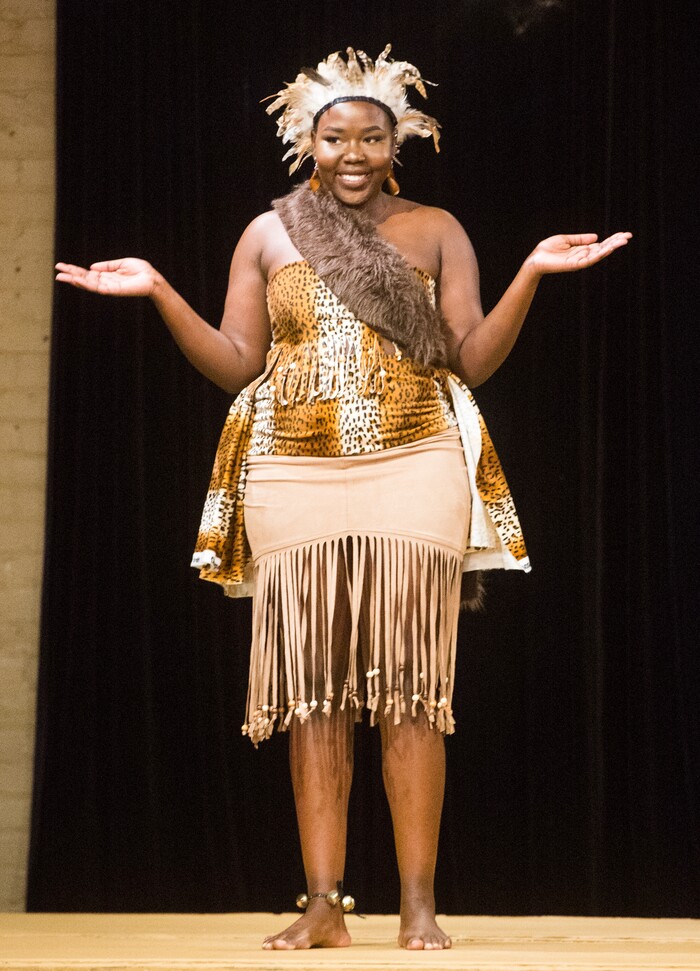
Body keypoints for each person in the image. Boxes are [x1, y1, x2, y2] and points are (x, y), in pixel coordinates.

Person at [55, 45, 631, 951]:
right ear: (307, 142)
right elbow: (238, 365)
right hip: (292, 469)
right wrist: (160, 291)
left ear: (396, 141)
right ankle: (323, 903)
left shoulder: (437, 228)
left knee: (409, 689)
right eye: (335, 137)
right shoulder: (269, 232)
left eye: (372, 136)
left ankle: (416, 903)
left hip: (416, 460)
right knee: (313, 691)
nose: (354, 152)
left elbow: (470, 362)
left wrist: (531, 272)